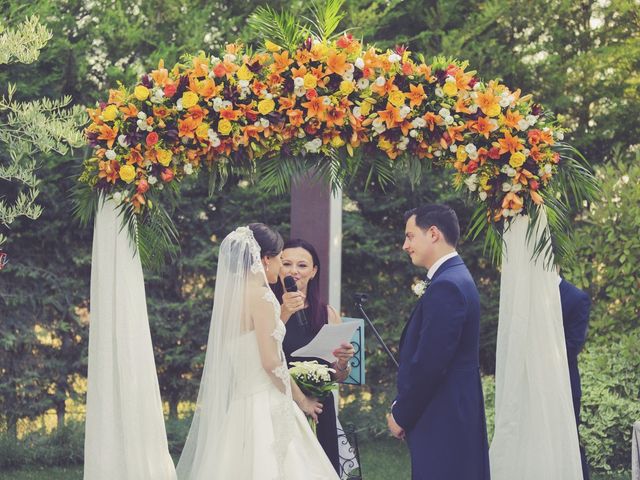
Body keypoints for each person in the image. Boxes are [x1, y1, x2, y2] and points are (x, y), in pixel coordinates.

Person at [176, 224, 338, 480]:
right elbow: (271, 361)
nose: (280, 267)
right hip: (266, 402)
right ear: (265, 259)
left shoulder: (233, 298)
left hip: (242, 403)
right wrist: (302, 400)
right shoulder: (261, 296)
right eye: (280, 258)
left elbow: (254, 345)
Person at [387, 204, 490, 480]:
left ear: (433, 233)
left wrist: (401, 413)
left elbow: (430, 364)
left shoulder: (448, 285)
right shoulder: (455, 277)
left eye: (410, 236)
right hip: (451, 412)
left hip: (443, 417)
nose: (405, 245)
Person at [272, 238, 355, 475]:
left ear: (314, 271)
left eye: (302, 265)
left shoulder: (327, 313)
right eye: (286, 263)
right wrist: (300, 401)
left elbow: (338, 376)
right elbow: (265, 358)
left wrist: (343, 362)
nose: (294, 271)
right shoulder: (269, 310)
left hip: (320, 409)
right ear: (278, 266)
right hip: (282, 406)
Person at [559, 276, 591, 480]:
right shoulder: (528, 300)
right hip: (534, 388)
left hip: (566, 387)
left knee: (569, 444)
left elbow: (573, 345)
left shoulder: (576, 297)